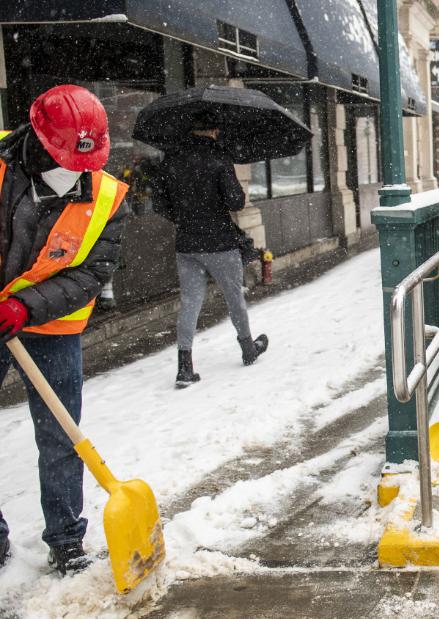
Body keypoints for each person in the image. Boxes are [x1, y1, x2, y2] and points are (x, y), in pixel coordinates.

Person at [0, 85, 127, 574]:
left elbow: (93, 272)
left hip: (50, 325)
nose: (77, 172)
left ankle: (67, 537)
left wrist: (25, 307)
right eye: (66, 158)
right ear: (37, 135)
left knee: (60, 434)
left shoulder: (108, 195)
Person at [153, 112, 267, 388]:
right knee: (233, 298)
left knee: (190, 302)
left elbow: (160, 204)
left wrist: (184, 217)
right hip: (220, 243)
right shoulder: (219, 159)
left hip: (187, 244)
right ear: (214, 130)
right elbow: (236, 202)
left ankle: (184, 365)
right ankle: (247, 348)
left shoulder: (171, 160)